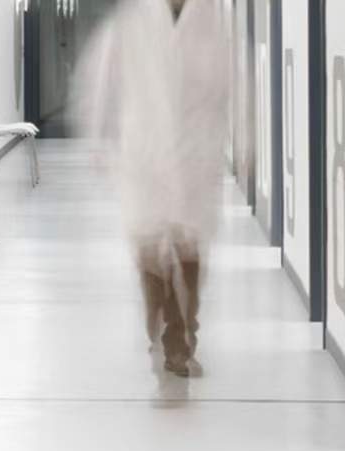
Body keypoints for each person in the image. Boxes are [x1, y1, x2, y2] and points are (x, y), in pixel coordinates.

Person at [72, 0, 229, 377]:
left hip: (194, 155)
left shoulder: (211, 23)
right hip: (144, 154)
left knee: (189, 249)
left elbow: (233, 86)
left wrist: (247, 139)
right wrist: (95, 136)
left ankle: (182, 339)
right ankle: (161, 323)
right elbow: (100, 81)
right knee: (150, 252)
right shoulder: (130, 22)